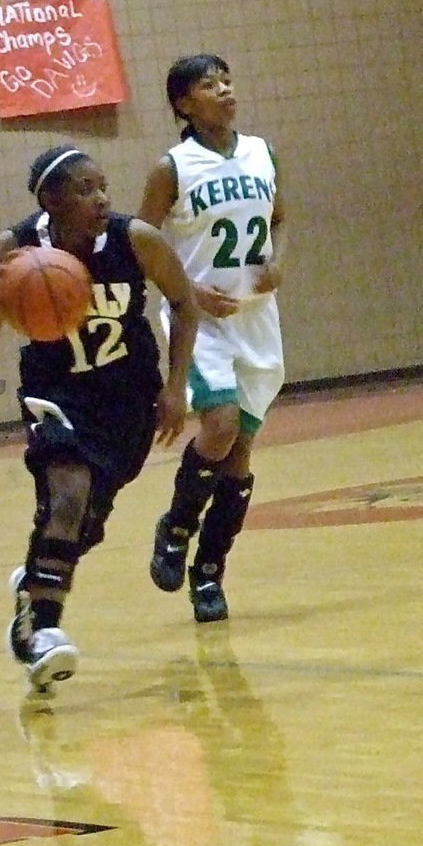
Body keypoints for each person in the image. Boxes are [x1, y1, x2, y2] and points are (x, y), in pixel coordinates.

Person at [0, 145, 198, 693]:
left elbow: (185, 304)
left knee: (83, 524)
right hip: (56, 393)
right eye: (85, 189)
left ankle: (35, 582)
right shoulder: (15, 248)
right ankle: (43, 632)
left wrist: (175, 385)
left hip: (127, 395)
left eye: (103, 186)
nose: (102, 198)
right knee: (66, 496)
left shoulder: (134, 238)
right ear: (50, 199)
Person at [138, 54, 288, 623]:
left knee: (240, 455)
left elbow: (277, 222)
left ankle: (210, 571)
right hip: (199, 321)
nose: (224, 90)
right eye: (208, 85)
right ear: (183, 104)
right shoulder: (172, 168)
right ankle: (176, 526)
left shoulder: (262, 152)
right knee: (219, 426)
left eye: (227, 80)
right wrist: (189, 292)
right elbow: (141, 244)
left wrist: (276, 264)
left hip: (256, 315)